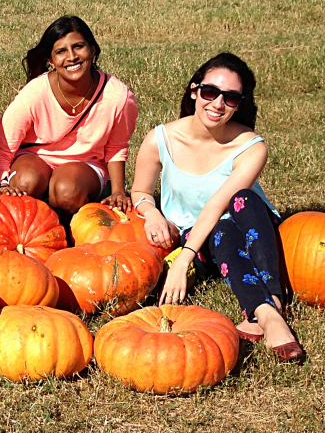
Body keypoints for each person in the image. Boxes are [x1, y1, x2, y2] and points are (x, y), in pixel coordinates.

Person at [130, 52, 304, 362]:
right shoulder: (160, 139)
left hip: (253, 231)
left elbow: (217, 204)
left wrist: (183, 261)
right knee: (219, 230)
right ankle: (269, 310)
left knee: (241, 200)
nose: (218, 104)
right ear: (194, 91)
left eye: (230, 97)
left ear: (239, 104)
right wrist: (152, 213)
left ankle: (269, 309)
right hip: (200, 239)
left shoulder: (250, 146)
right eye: (210, 92)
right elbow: (141, 191)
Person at [0, 16, 137, 217]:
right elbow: (4, 145)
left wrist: (118, 192)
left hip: (86, 164)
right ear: (51, 61)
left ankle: (68, 222)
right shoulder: (35, 92)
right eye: (61, 51)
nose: (72, 57)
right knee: (25, 182)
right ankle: (36, 222)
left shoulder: (118, 97)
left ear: (92, 50)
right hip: (34, 158)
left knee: (66, 191)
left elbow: (117, 147)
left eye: (78, 46)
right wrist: (2, 183)